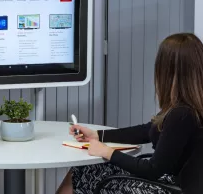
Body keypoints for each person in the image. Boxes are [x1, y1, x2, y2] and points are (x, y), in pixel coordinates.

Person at [57, 33, 203, 194]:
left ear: (166, 70)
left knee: (80, 173)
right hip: (171, 182)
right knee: (85, 169)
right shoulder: (189, 108)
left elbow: (153, 169)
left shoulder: (182, 114)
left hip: (169, 188)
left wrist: (106, 151)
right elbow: (146, 130)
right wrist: (97, 135)